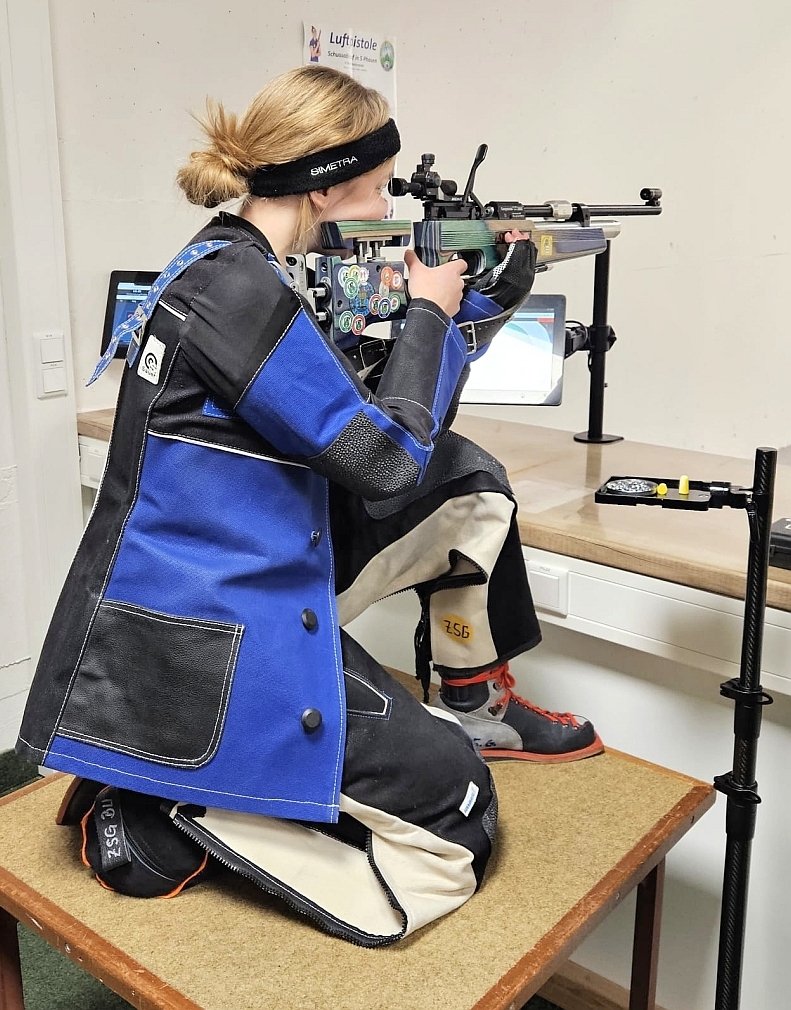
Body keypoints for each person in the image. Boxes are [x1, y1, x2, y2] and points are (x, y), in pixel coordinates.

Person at [16, 66, 601, 945]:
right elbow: (381, 461)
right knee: (457, 812)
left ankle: (474, 697)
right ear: (327, 186)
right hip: (213, 623)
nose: (389, 199)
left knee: (466, 478)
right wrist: (426, 315)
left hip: (249, 563)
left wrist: (478, 308)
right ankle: (165, 812)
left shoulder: (234, 263)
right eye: (380, 181)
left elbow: (380, 427)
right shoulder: (236, 292)